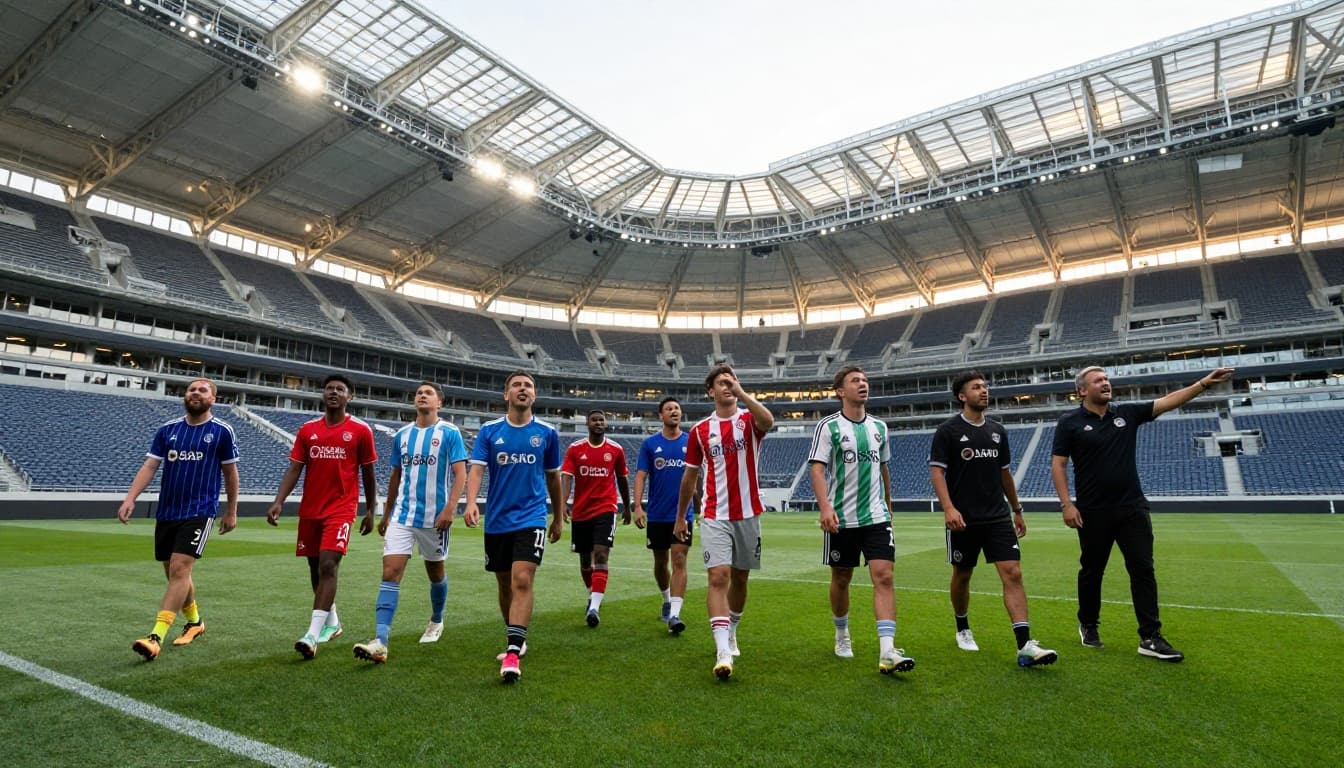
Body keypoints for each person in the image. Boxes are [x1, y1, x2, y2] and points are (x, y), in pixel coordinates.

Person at [1051, 365, 1234, 662]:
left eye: (1107, 379)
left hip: (1132, 508)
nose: (1106, 383)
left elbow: (1169, 401)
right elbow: (1058, 465)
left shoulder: (1127, 413)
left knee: (1143, 569)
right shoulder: (1069, 422)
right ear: (1082, 390)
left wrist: (1203, 384)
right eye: (1098, 381)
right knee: (1092, 571)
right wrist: (1066, 504)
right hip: (1093, 511)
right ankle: (1088, 623)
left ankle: (1150, 637)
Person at [930, 371, 1057, 668]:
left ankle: (1025, 645)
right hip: (964, 518)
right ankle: (962, 626)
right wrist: (948, 508)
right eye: (976, 388)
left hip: (998, 517)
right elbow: (937, 472)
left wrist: (1017, 509)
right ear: (962, 396)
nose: (983, 391)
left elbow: (1004, 474)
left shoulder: (998, 431)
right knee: (963, 574)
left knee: (1013, 573)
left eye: (985, 387)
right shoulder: (947, 431)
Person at [118, 378, 239, 661]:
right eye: (192, 389)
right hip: (168, 511)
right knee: (173, 572)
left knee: (180, 570)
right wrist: (130, 498)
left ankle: (155, 636)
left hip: (199, 510)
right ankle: (195, 622)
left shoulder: (222, 431)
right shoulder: (167, 430)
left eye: (203, 390)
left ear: (214, 399)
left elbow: (230, 474)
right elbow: (150, 465)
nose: (196, 393)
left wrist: (231, 510)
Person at [808, 366, 914, 674]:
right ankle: (842, 633)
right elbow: (817, 469)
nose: (862, 384)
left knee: (884, 575)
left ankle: (887, 651)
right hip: (842, 517)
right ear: (841, 391)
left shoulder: (880, 427)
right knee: (841, 578)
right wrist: (825, 507)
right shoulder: (828, 427)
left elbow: (883, 469)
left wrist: (889, 505)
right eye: (855, 381)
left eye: (865, 380)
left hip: (876, 516)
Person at [353, 382, 467, 664]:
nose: (421, 395)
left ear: (439, 402)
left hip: (434, 519)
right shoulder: (402, 435)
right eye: (418, 392)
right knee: (390, 572)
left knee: (435, 572)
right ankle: (380, 641)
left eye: (428, 393)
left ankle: (437, 620)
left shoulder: (450, 433)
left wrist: (450, 509)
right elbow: (395, 476)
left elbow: (460, 474)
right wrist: (387, 512)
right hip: (403, 516)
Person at [267, 373, 378, 660]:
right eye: (329, 388)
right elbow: (295, 468)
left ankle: (312, 635)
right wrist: (279, 501)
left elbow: (368, 472)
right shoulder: (307, 430)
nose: (333, 392)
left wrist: (370, 509)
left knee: (328, 565)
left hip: (341, 509)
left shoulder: (360, 430)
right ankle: (332, 622)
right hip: (311, 509)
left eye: (340, 389)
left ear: (348, 397)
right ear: (323, 394)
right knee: (315, 567)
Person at [463, 371, 564, 683]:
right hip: (497, 520)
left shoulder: (547, 433)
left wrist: (558, 516)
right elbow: (477, 471)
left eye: (529, 386)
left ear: (534, 395)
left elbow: (553, 479)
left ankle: (511, 651)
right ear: (506, 395)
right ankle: (516, 635)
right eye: (517, 385)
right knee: (504, 584)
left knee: (522, 579)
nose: (524, 389)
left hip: (531, 516)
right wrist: (470, 502)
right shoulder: (490, 431)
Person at [676, 365, 774, 680]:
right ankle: (721, 651)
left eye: (731, 381)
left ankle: (732, 628)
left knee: (740, 579)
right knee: (719, 577)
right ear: (710, 391)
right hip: (715, 514)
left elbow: (768, 421)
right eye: (721, 382)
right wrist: (681, 516)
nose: (727, 385)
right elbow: (690, 475)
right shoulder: (701, 431)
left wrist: (742, 391)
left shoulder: (748, 421)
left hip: (748, 513)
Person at [560, 410, 631, 629]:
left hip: (606, 508)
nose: (599, 423)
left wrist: (627, 507)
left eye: (602, 420)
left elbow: (622, 478)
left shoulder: (616, 450)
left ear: (606, 424)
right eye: (595, 420)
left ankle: (594, 608)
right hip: (581, 511)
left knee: (600, 553)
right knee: (584, 561)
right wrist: (563, 503)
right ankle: (592, 594)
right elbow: (566, 477)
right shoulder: (575, 449)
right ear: (588, 424)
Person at [633, 397, 697, 635]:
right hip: (658, 515)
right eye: (669, 409)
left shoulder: (690, 442)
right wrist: (638, 506)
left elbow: (696, 478)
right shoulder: (650, 444)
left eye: (677, 409)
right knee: (661, 563)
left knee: (679, 559)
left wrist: (700, 505)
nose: (674, 412)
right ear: (661, 415)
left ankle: (675, 615)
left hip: (682, 514)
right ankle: (667, 599)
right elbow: (640, 475)